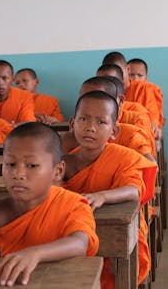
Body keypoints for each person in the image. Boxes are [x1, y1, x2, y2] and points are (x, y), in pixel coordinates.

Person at [0, 122, 99, 286]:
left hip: (66, 283)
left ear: (58, 171)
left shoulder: (73, 204)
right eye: (10, 164)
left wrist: (35, 254)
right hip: (17, 282)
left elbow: (80, 243)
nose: (18, 174)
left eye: (31, 165)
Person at [62, 91, 157, 289]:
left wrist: (103, 196)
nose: (90, 127)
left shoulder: (123, 157)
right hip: (73, 230)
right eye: (84, 119)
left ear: (114, 131)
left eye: (101, 122)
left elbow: (134, 190)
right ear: (72, 124)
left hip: (114, 229)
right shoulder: (63, 162)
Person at [102, 52, 162, 136]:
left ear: (127, 69)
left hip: (138, 133)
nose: (115, 75)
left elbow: (151, 120)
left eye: (118, 70)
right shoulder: (105, 91)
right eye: (109, 74)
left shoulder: (143, 88)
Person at [127, 58, 164, 128]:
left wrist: (154, 124)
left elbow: (153, 112)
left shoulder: (148, 89)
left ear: (146, 78)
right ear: (125, 75)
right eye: (131, 75)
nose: (135, 78)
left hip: (147, 126)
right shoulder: (121, 89)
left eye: (140, 75)